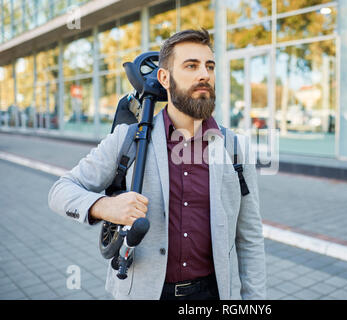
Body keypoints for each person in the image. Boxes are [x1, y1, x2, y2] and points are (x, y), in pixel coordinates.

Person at [48, 29, 266, 300]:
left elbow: (250, 239)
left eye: (209, 66)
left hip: (211, 294)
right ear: (164, 77)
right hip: (143, 292)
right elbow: (60, 190)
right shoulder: (128, 139)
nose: (204, 75)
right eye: (191, 66)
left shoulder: (235, 149)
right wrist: (105, 207)